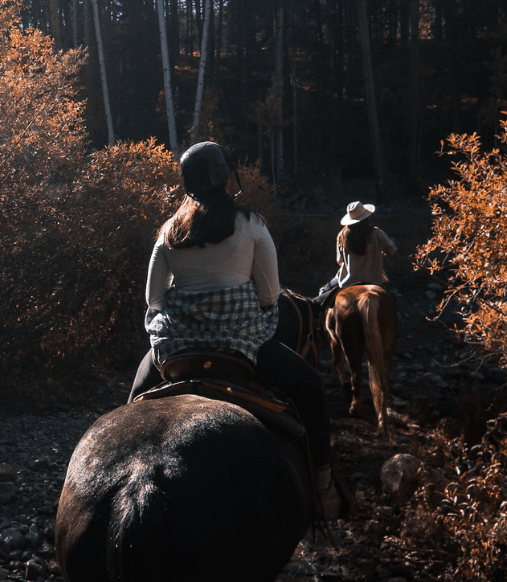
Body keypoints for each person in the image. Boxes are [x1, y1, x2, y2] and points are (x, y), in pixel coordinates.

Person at [129, 141, 339, 518]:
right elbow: (270, 294)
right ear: (225, 176)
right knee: (309, 388)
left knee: (131, 409)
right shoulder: (251, 224)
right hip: (241, 345)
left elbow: (154, 299)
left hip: (177, 349)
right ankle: (323, 488)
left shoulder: (168, 231)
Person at [315, 200, 397, 303]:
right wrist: (379, 257)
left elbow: (340, 260)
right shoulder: (377, 233)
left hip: (348, 281)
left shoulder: (342, 235)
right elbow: (391, 250)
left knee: (322, 294)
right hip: (374, 280)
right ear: (366, 217)